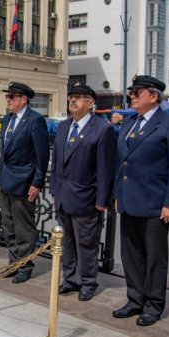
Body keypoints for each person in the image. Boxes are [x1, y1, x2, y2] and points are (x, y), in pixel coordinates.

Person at [113, 75, 169, 324]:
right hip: (129, 200)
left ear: (154, 96)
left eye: (137, 92)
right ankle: (135, 299)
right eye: (131, 92)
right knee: (131, 255)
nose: (132, 96)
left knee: (154, 257)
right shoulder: (128, 123)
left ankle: (153, 305)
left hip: (155, 203)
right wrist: (117, 194)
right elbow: (120, 164)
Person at [50, 82, 116, 301]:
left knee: (86, 244)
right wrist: (54, 190)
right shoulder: (63, 126)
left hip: (87, 198)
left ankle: (87, 281)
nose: (73, 100)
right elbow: (57, 161)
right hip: (63, 197)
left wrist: (102, 201)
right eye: (71, 97)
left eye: (79, 97)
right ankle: (69, 279)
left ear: (90, 103)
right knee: (67, 243)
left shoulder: (102, 129)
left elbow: (106, 168)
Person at [0, 82, 50, 284]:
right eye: (7, 96)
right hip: (6, 180)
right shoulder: (8, 119)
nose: (8, 100)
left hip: (24, 182)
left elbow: (41, 155)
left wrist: (37, 183)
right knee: (8, 225)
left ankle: (25, 265)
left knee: (23, 227)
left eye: (12, 97)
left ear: (23, 99)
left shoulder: (34, 120)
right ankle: (13, 263)